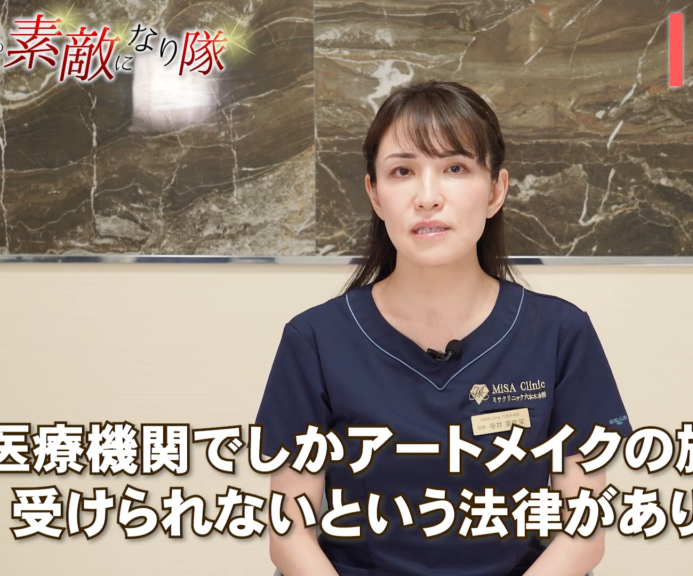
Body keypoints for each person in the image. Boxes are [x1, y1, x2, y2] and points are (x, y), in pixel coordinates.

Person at [254, 80, 632, 576]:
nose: (427, 197)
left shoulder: (561, 334)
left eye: (455, 168)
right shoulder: (316, 341)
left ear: (496, 190)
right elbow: (290, 535)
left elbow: (582, 535)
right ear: (375, 195)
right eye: (402, 171)